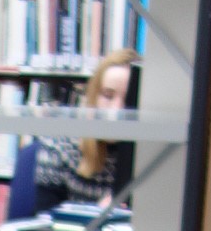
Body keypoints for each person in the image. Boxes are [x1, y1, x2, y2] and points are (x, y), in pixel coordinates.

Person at [25, 47, 138, 208]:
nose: (116, 110)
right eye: (107, 95)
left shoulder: (153, 158)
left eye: (128, 99)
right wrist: (98, 216)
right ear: (92, 98)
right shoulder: (58, 148)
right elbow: (45, 225)